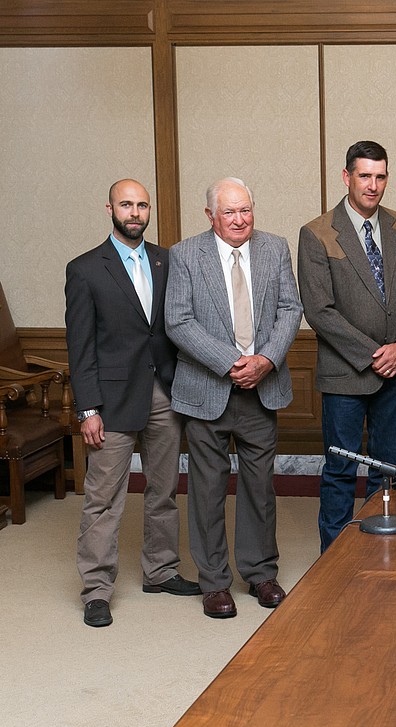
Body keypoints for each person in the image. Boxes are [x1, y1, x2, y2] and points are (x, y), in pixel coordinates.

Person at [65, 179, 200, 628]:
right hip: (112, 401)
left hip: (165, 392)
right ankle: (97, 589)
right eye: (127, 204)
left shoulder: (167, 260)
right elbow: (80, 346)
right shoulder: (85, 269)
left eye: (142, 205)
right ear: (109, 208)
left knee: (164, 491)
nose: (136, 212)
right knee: (103, 499)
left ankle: (160, 571)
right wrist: (88, 409)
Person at [165, 177, 303, 619]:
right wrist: (230, 362)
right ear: (210, 216)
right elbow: (178, 321)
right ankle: (215, 583)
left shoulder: (275, 247)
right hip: (207, 390)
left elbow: (289, 309)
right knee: (206, 490)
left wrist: (265, 360)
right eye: (229, 212)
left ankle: (261, 572)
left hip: (262, 389)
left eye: (246, 210)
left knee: (260, 488)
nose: (240, 219)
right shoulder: (186, 254)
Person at [298, 141, 396, 552]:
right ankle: (333, 561)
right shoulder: (317, 233)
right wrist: (376, 354)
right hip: (346, 375)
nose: (373, 186)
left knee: (386, 470)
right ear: (346, 176)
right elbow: (319, 311)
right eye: (364, 176)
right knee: (340, 469)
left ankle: (379, 551)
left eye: (380, 176)